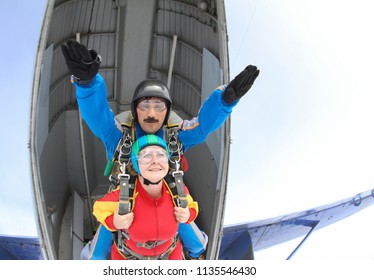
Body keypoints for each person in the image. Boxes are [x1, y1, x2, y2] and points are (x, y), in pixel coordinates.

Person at [61, 40, 259, 259]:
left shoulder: (176, 138)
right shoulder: (118, 138)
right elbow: (98, 118)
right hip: (125, 201)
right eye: (144, 106)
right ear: (135, 111)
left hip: (168, 201)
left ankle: (197, 256)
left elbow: (202, 126)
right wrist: (87, 83)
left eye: (159, 106)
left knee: (196, 240)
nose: (152, 113)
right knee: (94, 256)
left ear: (167, 111)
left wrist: (225, 100)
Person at [93, 134, 198, 259]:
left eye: (161, 155)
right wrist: (114, 222)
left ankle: (195, 255)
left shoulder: (177, 190)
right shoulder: (125, 195)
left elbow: (192, 206)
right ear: (136, 164)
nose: (155, 160)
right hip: (128, 255)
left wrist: (188, 215)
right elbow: (99, 208)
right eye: (146, 156)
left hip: (170, 251)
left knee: (198, 245)